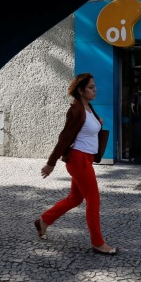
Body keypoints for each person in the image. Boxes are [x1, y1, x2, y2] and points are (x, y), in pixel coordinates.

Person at [35, 73, 118, 255]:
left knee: (75, 199)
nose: (94, 90)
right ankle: (98, 243)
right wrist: (51, 163)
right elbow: (64, 138)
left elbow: (88, 129)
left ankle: (43, 221)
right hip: (78, 159)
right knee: (94, 200)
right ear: (81, 90)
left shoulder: (88, 107)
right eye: (90, 87)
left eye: (94, 87)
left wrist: (99, 122)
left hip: (86, 159)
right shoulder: (76, 109)